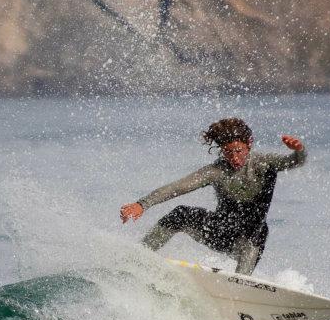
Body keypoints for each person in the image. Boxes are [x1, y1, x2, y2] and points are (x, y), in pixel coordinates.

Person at [120, 117, 306, 274]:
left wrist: (299, 151)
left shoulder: (264, 163)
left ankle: (241, 282)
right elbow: (177, 187)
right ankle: (137, 258)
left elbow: (294, 162)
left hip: (248, 243)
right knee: (180, 214)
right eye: (227, 152)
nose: (234, 158)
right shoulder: (216, 171)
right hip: (220, 233)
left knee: (259, 229)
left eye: (238, 151)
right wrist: (142, 204)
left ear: (249, 144)